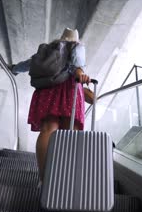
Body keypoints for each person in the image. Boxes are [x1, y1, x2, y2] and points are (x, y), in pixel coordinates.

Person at [11, 28, 91, 181]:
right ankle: (64, 176)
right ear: (76, 38)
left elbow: (30, 64)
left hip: (48, 90)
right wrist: (80, 73)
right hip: (69, 90)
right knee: (70, 133)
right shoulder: (77, 46)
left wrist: (14, 68)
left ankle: (43, 177)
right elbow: (78, 65)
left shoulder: (49, 49)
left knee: (48, 130)